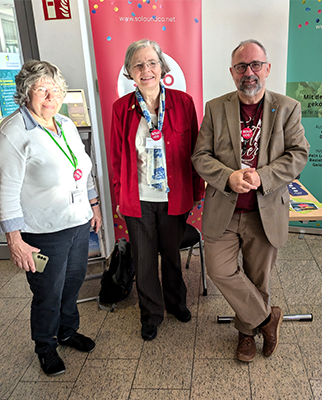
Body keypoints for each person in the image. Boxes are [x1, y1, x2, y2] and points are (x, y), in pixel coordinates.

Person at [191, 40, 309, 362]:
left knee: (259, 278)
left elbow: (298, 155)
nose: (249, 72)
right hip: (224, 210)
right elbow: (200, 156)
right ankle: (267, 318)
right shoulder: (216, 108)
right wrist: (227, 176)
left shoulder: (287, 107)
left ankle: (246, 334)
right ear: (232, 72)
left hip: (264, 211)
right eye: (241, 66)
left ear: (267, 69)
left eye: (256, 64)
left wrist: (264, 176)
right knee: (219, 269)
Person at [0, 60, 102, 376]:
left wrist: (94, 205)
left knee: (73, 283)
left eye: (55, 89)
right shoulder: (12, 133)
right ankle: (45, 347)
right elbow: (4, 191)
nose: (50, 97)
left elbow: (83, 168)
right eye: (42, 90)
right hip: (42, 232)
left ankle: (67, 332)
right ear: (26, 93)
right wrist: (14, 240)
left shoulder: (65, 124)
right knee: (47, 293)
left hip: (77, 224)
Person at [111, 39, 204, 341]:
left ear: (162, 67)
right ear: (129, 72)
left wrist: (197, 191)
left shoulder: (184, 102)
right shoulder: (121, 108)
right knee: (145, 261)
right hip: (137, 199)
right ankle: (151, 314)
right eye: (138, 64)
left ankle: (176, 303)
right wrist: (119, 196)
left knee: (172, 257)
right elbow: (116, 158)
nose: (146, 69)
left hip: (174, 197)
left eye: (152, 63)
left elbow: (195, 150)